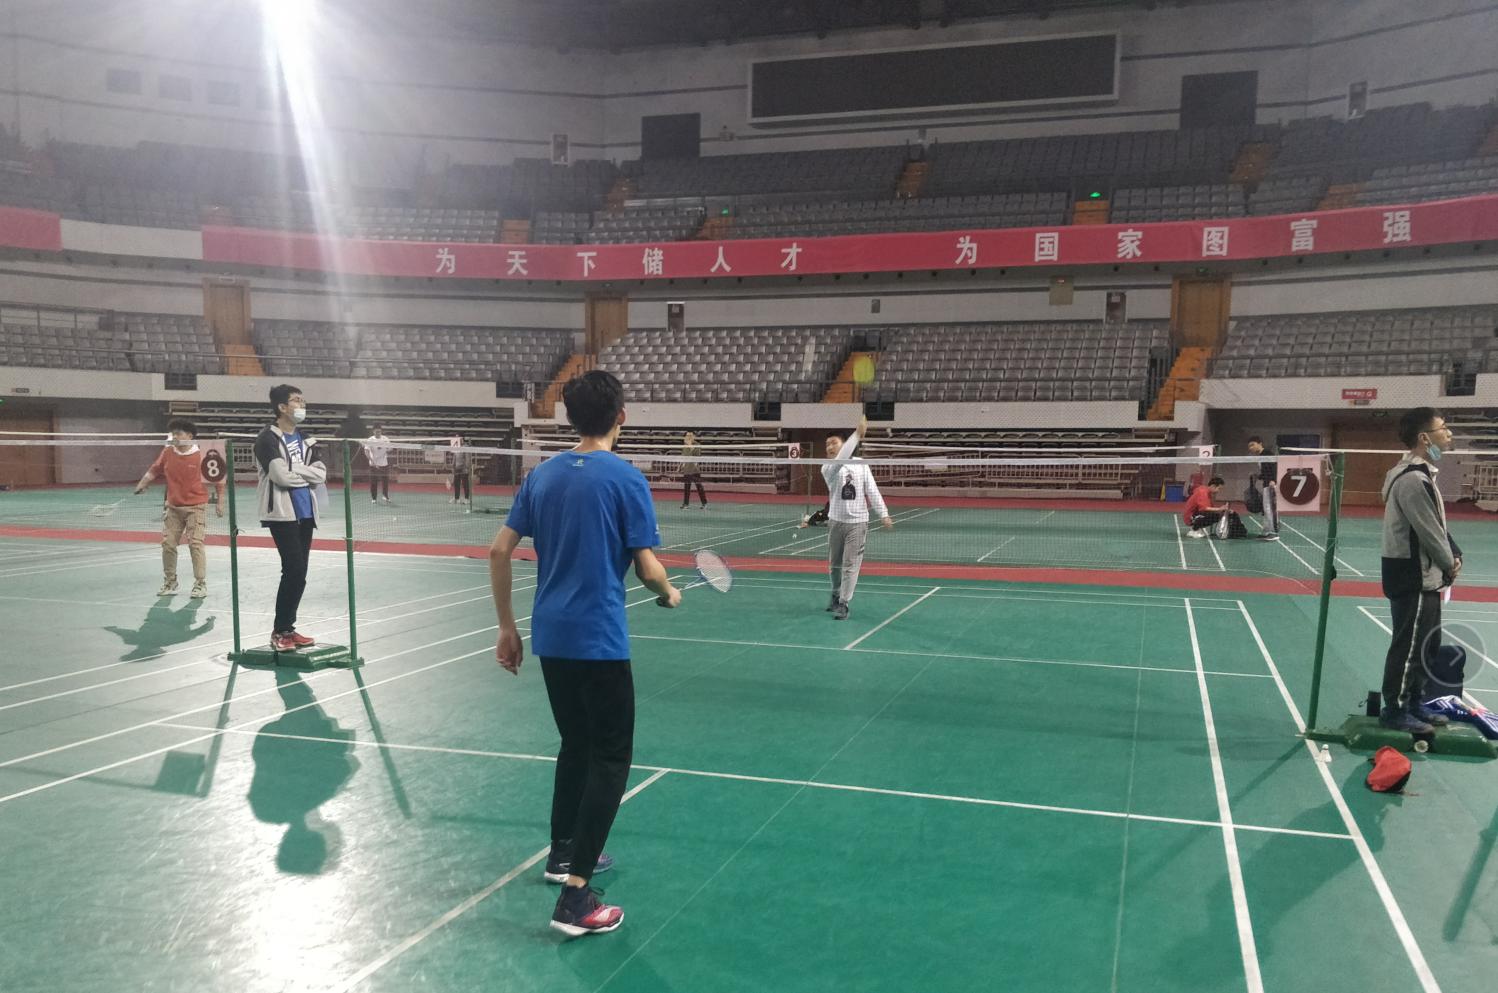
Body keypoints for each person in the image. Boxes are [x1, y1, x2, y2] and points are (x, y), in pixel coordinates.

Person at [488, 370, 679, 938]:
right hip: (598, 640)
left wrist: (506, 628)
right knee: (611, 757)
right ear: (621, 416)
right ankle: (575, 897)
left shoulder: (541, 476)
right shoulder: (626, 478)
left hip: (550, 636)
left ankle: (562, 853)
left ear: (570, 418)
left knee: (575, 744)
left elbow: (498, 550)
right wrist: (669, 591)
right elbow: (647, 568)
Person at [1378, 407, 1461, 733]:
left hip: (1425, 576)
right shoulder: (1412, 479)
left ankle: (1414, 702)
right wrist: (1450, 564)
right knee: (1409, 646)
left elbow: (1436, 527)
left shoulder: (1423, 475)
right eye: (1444, 428)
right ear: (1425, 438)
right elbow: (1428, 532)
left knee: (1427, 643)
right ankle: (1395, 709)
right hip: (1411, 575)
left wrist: (1454, 552)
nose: (1449, 434)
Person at [254, 384, 325, 653]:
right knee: (293, 569)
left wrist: (294, 468)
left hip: (305, 512)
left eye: (303, 400)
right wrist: (304, 473)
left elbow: (321, 475)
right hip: (282, 513)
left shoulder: (307, 439)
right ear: (282, 407)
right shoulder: (266, 439)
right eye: (296, 400)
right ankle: (280, 631)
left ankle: (288, 628)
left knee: (300, 573)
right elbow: (279, 476)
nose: (301, 405)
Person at [133, 418, 225, 599]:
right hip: (173, 507)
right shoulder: (168, 451)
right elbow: (155, 469)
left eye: (178, 433)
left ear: (189, 436)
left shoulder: (205, 453)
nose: (174, 437)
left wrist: (220, 501)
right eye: (173, 433)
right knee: (168, 544)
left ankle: (200, 583)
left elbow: (219, 480)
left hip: (196, 506)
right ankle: (170, 581)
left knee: (195, 544)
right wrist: (143, 483)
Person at [823, 416, 893, 620]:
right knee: (835, 566)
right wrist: (857, 435)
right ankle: (835, 594)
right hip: (836, 522)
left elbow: (871, 489)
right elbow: (841, 459)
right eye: (827, 444)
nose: (829, 447)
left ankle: (844, 602)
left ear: (844, 444)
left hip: (858, 523)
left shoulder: (861, 464)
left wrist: (883, 513)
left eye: (833, 443)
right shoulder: (827, 467)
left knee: (850, 565)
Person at [1247, 436, 1280, 540]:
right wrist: (1257, 476)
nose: (1251, 448)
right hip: (1266, 484)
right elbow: (1266, 471)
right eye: (1249, 446)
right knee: (1266, 509)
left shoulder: (1267, 453)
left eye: (1253, 445)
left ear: (1260, 443)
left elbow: (1275, 467)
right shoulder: (1260, 456)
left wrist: (1273, 480)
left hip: (1271, 485)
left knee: (1270, 508)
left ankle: (1273, 532)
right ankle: (1266, 532)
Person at [364, 425, 392, 504]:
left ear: (381, 431)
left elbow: (390, 448)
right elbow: (366, 451)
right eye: (376, 432)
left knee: (385, 481)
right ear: (373, 432)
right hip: (373, 465)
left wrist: (388, 448)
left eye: (379, 431)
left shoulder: (385, 439)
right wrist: (371, 460)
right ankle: (374, 498)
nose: (378, 433)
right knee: (373, 482)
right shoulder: (370, 440)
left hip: (384, 464)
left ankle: (385, 496)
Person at [680, 431, 707, 509]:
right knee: (686, 488)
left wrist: (690, 445)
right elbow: (683, 456)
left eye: (691, 435)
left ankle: (704, 503)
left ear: (694, 436)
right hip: (687, 470)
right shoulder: (684, 445)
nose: (689, 437)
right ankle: (686, 504)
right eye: (687, 435)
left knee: (699, 487)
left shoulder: (697, 445)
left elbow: (697, 456)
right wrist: (680, 466)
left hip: (695, 470)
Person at [449, 434, 472, 511]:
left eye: (458, 437)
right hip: (457, 468)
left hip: (464, 468)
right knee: (456, 483)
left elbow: (468, 458)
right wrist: (453, 466)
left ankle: (466, 499)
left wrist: (467, 467)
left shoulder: (466, 447)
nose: (456, 439)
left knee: (465, 484)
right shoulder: (456, 446)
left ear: (462, 438)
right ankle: (457, 498)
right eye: (456, 437)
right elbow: (454, 457)